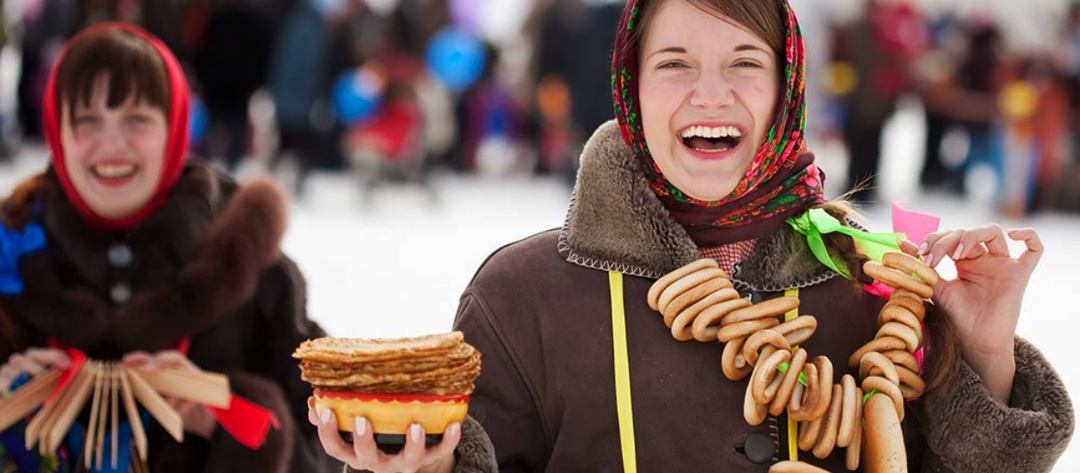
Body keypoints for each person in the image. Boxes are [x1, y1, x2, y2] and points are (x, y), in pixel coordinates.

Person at [451, 0, 1074, 471]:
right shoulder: (522, 298)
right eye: (674, 64)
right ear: (631, 87)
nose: (711, 94)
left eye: (744, 63)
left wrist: (984, 355)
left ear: (787, 87)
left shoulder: (873, 287)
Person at [0, 22, 336, 473]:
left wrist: (230, 417)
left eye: (137, 120)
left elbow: (330, 453)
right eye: (86, 121)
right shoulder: (11, 256)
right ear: (57, 133)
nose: (112, 145)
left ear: (175, 126)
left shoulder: (255, 269)